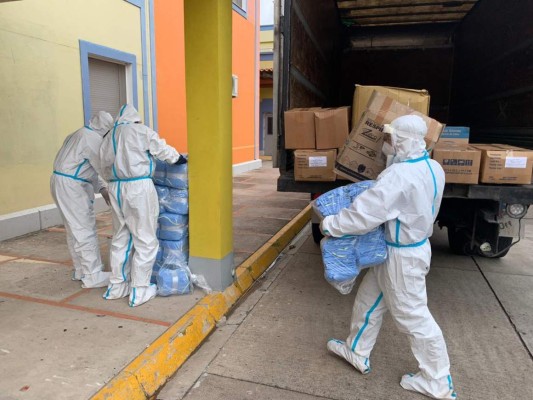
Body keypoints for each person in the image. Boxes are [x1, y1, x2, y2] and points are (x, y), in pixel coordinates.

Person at [321, 115, 457, 399]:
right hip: (407, 249)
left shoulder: (398, 177)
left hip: (400, 257)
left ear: (402, 140)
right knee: (368, 302)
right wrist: (392, 161)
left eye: (391, 138)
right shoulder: (432, 167)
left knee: (413, 317)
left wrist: (330, 224)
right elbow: (403, 190)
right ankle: (356, 350)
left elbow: (365, 215)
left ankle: (437, 381)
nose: (387, 142)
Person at [99, 104, 186, 307]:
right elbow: (164, 151)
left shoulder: (108, 138)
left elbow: (102, 167)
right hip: (138, 187)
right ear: (135, 119)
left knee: (121, 238)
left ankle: (116, 286)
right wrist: (178, 159)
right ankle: (139, 289)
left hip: (115, 188)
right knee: (145, 238)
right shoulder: (140, 131)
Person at [51, 111, 114, 288]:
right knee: (84, 228)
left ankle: (81, 270)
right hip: (72, 186)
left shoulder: (78, 134)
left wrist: (102, 188)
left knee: (73, 228)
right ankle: (93, 275)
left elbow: (87, 167)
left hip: (61, 181)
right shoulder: (93, 139)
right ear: (106, 130)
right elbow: (102, 168)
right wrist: (117, 186)